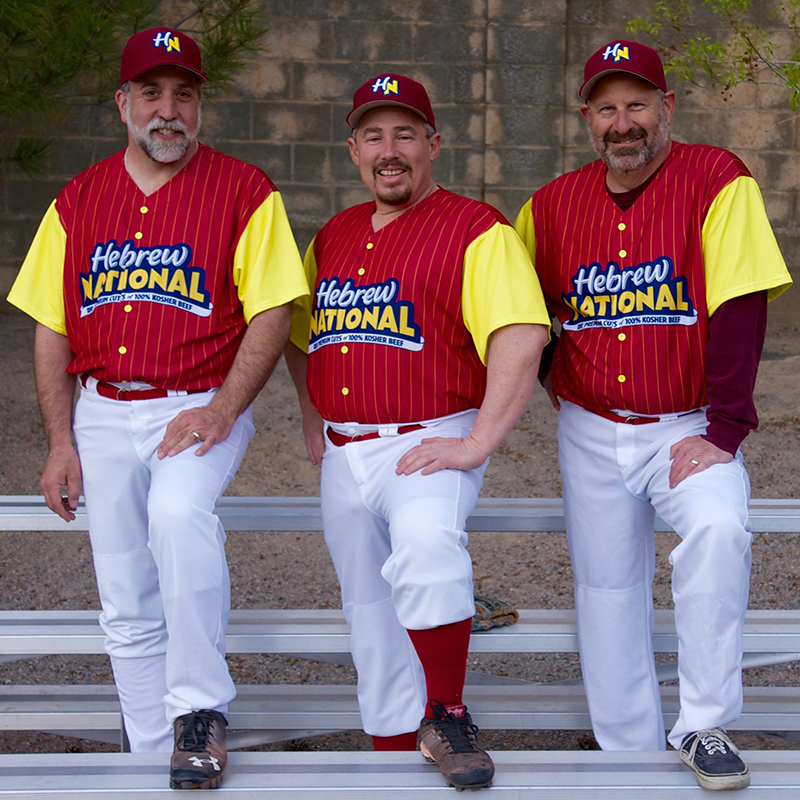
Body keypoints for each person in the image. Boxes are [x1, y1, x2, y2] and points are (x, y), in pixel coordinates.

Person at [7, 27, 308, 790]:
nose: (168, 110)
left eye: (184, 94)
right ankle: (149, 752)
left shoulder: (246, 190)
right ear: (123, 103)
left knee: (177, 515)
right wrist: (59, 441)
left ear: (201, 104)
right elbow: (52, 326)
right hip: (102, 411)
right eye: (151, 92)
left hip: (198, 400)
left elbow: (272, 310)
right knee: (123, 587)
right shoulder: (77, 199)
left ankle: (200, 714)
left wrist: (222, 409)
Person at [515, 39, 792, 791]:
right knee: (606, 587)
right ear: (587, 119)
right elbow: (524, 315)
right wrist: (554, 379)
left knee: (718, 527)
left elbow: (738, 304)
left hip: (689, 422)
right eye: (607, 107)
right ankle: (627, 750)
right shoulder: (547, 206)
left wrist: (725, 429)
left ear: (668, 108)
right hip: (591, 424)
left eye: (638, 103)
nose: (623, 121)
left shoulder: (716, 179)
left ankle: (703, 723)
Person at [285, 73, 550, 791]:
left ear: (434, 145)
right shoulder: (334, 234)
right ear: (353, 150)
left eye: (406, 134)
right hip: (345, 449)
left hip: (429, 434)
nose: (389, 149)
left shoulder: (476, 228)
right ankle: (391, 761)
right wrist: (313, 413)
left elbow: (521, 335)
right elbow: (300, 333)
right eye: (374, 135)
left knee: (430, 551)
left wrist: (477, 444)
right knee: (369, 616)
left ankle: (449, 712)